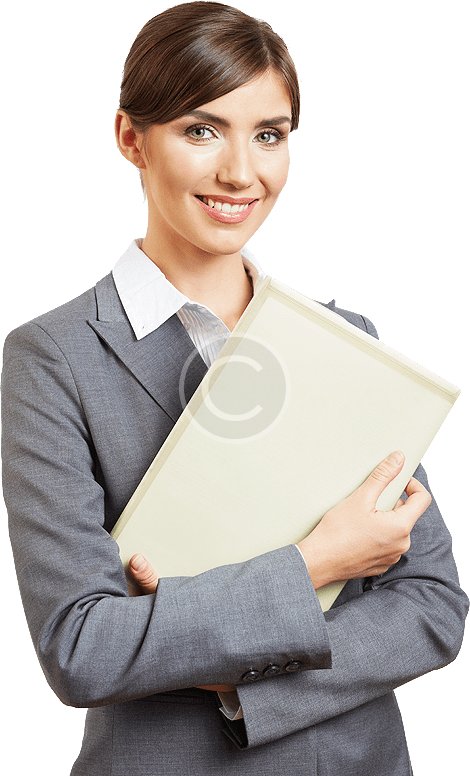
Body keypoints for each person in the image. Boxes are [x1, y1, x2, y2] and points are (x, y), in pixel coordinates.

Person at [2, 4, 467, 775]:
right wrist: (316, 563)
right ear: (130, 138)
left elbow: (433, 608)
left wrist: (239, 684)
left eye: (269, 135)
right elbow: (80, 647)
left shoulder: (346, 340)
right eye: (201, 130)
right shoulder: (55, 356)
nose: (241, 173)